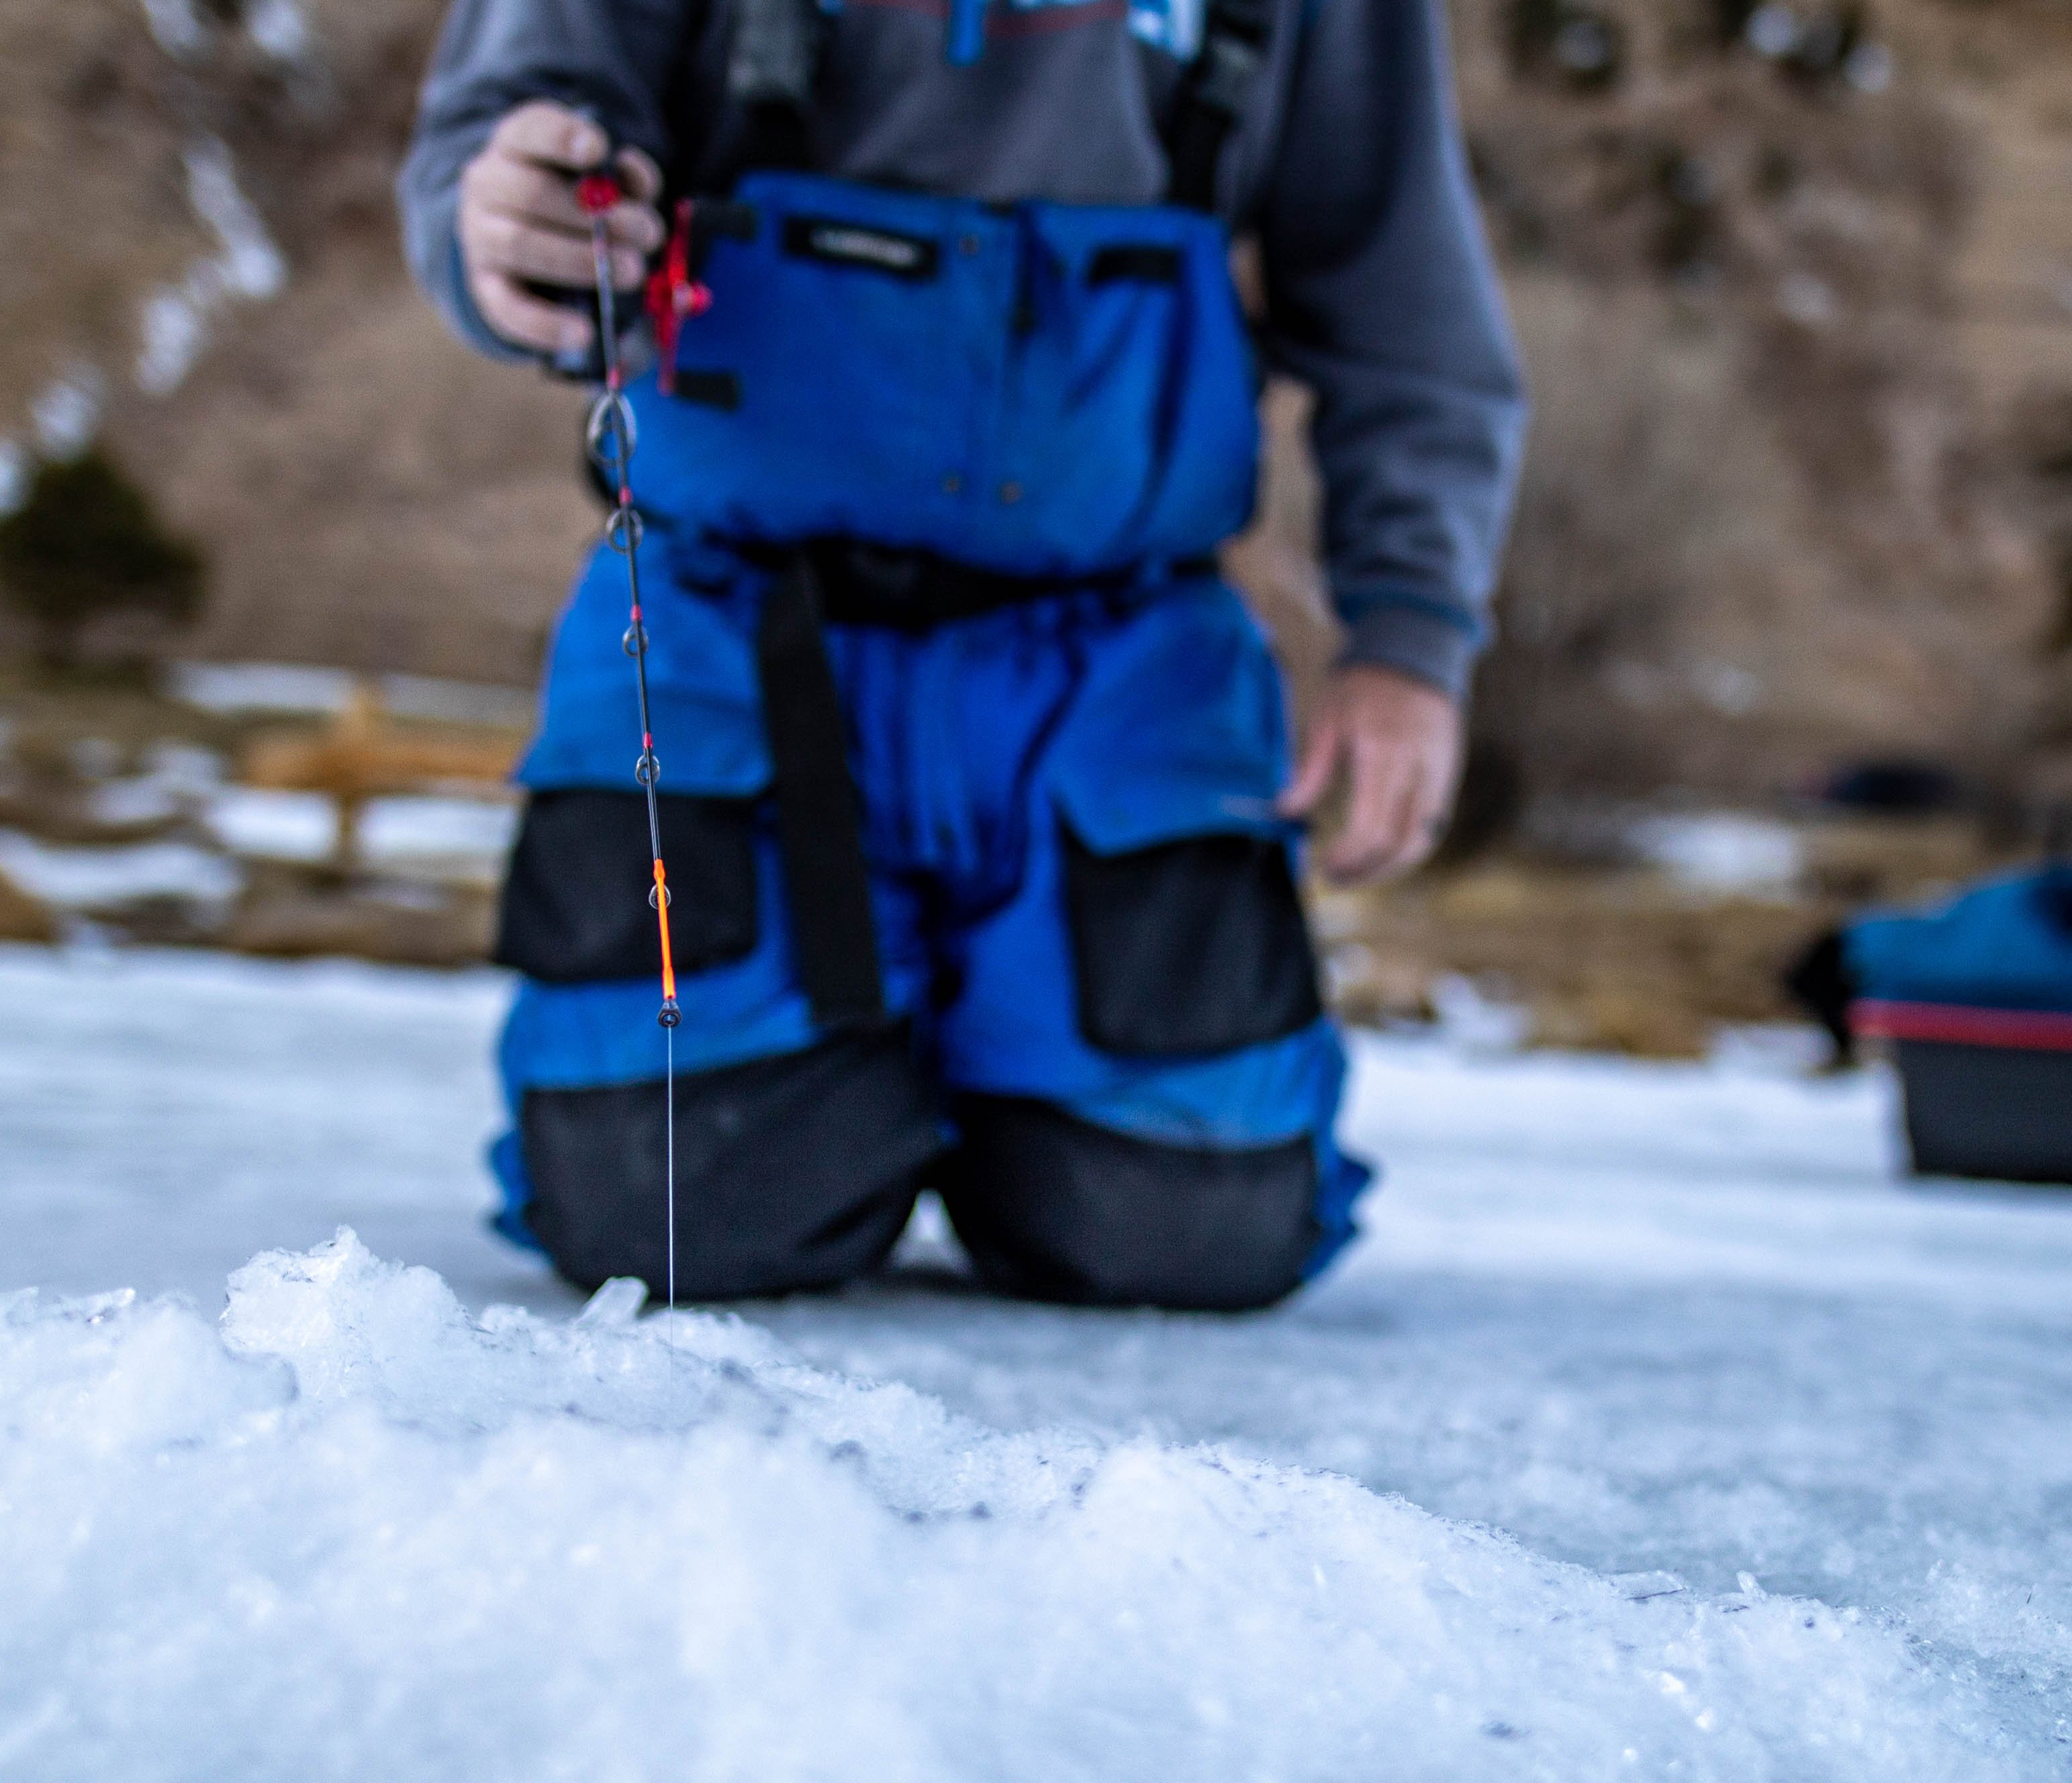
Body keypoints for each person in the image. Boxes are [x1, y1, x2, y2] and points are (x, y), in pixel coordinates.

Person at [399, 0, 1526, 1309]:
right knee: (666, 1203)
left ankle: (1002, 1073)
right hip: (723, 630)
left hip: (1117, 658)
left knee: (1189, 1231)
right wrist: (509, 227)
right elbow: (496, 142)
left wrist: (1410, 633)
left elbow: (1402, 293)